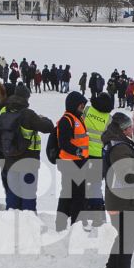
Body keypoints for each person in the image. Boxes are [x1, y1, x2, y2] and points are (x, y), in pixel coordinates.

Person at [100, 113, 134, 268]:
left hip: (119, 198)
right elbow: (126, 175)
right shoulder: (119, 147)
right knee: (128, 238)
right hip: (122, 200)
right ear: (122, 129)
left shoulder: (120, 143)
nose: (132, 129)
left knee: (123, 236)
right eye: (129, 127)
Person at [0, 83, 52, 213]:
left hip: (10, 162)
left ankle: (10, 222)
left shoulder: (4, 112)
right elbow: (48, 127)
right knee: (28, 196)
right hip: (28, 162)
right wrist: (44, 118)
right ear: (26, 98)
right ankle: (29, 225)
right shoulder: (28, 114)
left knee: (12, 196)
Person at [55, 92, 93, 229]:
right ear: (74, 104)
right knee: (73, 195)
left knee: (76, 194)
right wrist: (78, 151)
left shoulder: (78, 118)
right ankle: (67, 224)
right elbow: (63, 142)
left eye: (84, 104)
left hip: (79, 162)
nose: (83, 107)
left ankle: (73, 223)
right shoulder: (67, 120)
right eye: (81, 104)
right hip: (70, 163)